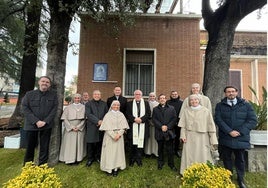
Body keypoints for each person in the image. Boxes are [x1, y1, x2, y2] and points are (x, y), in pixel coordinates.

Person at [215, 86, 257, 188]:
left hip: (241, 137)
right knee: (227, 159)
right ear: (225, 93)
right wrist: (229, 131)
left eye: (233, 91)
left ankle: (240, 179)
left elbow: (252, 120)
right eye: (228, 92)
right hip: (226, 137)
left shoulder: (246, 105)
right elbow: (218, 120)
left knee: (240, 160)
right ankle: (228, 177)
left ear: (237, 92)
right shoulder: (220, 105)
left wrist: (239, 131)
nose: (231, 93)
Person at [22, 76, 58, 165]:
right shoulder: (29, 94)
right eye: (43, 81)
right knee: (30, 147)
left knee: (44, 147)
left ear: (49, 85)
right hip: (31, 125)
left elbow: (54, 109)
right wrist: (36, 121)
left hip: (46, 125)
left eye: (47, 82)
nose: (45, 83)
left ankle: (42, 167)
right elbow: (25, 108)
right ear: (39, 82)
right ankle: (28, 167)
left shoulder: (53, 95)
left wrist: (45, 121)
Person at [178, 94, 218, 175]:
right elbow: (183, 126)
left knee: (202, 153)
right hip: (189, 136)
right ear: (189, 102)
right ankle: (188, 171)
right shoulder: (186, 110)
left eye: (196, 99)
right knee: (189, 154)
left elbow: (211, 126)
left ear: (199, 100)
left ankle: (203, 171)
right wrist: (183, 135)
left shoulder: (206, 111)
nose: (194, 101)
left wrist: (213, 139)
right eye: (192, 100)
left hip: (202, 137)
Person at [99, 100, 129, 177]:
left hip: (119, 137)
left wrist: (119, 134)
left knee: (117, 153)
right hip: (109, 136)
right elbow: (106, 127)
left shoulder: (121, 115)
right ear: (111, 106)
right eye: (114, 105)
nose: (116, 106)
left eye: (118, 105)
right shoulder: (107, 115)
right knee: (109, 153)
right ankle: (109, 169)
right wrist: (113, 135)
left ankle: (116, 169)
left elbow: (124, 127)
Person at [152, 94, 177, 171]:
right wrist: (161, 126)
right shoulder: (155, 109)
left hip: (169, 132)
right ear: (159, 100)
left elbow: (174, 119)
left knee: (170, 149)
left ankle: (171, 164)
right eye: (161, 98)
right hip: (159, 131)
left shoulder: (171, 108)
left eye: (164, 98)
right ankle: (160, 163)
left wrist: (167, 127)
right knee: (160, 149)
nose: (162, 99)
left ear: (166, 99)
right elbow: (154, 119)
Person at [59, 93, 86, 165]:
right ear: (73, 99)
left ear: (80, 99)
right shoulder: (68, 107)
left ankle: (78, 158)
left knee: (78, 144)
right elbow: (65, 119)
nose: (77, 99)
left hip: (79, 128)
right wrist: (71, 127)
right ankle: (69, 159)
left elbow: (85, 119)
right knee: (69, 144)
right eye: (75, 98)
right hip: (70, 129)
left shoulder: (84, 107)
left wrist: (79, 126)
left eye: (78, 98)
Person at [126, 89, 151, 167]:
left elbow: (148, 113)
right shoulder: (129, 104)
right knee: (132, 144)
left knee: (141, 144)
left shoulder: (146, 103)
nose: (137, 96)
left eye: (139, 94)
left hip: (142, 126)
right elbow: (127, 113)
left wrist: (141, 119)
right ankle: (132, 159)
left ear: (141, 95)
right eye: (136, 94)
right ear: (134, 95)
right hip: (133, 126)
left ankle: (139, 159)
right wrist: (134, 119)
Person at [85, 90, 108, 167]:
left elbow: (107, 114)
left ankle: (98, 157)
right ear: (93, 95)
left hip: (102, 126)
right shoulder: (88, 104)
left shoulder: (104, 104)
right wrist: (97, 121)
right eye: (95, 94)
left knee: (99, 142)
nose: (97, 95)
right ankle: (90, 158)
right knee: (90, 143)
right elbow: (89, 114)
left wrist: (102, 121)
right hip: (92, 125)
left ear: (100, 95)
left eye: (98, 94)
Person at [167, 90, 183, 157]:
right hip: (169, 123)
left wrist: (178, 121)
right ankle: (169, 151)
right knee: (169, 137)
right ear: (171, 95)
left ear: (177, 95)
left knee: (177, 137)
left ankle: (176, 150)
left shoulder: (181, 103)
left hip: (178, 123)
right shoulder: (168, 102)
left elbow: (182, 113)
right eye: (173, 94)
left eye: (175, 94)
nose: (174, 95)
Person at [144, 92, 159, 157]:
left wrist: (155, 122)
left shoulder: (158, 104)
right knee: (149, 138)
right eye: (151, 96)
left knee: (155, 138)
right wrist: (149, 121)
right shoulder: (146, 104)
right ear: (149, 97)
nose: (152, 97)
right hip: (148, 123)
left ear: (155, 97)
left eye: (153, 96)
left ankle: (155, 152)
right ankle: (148, 152)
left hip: (156, 124)